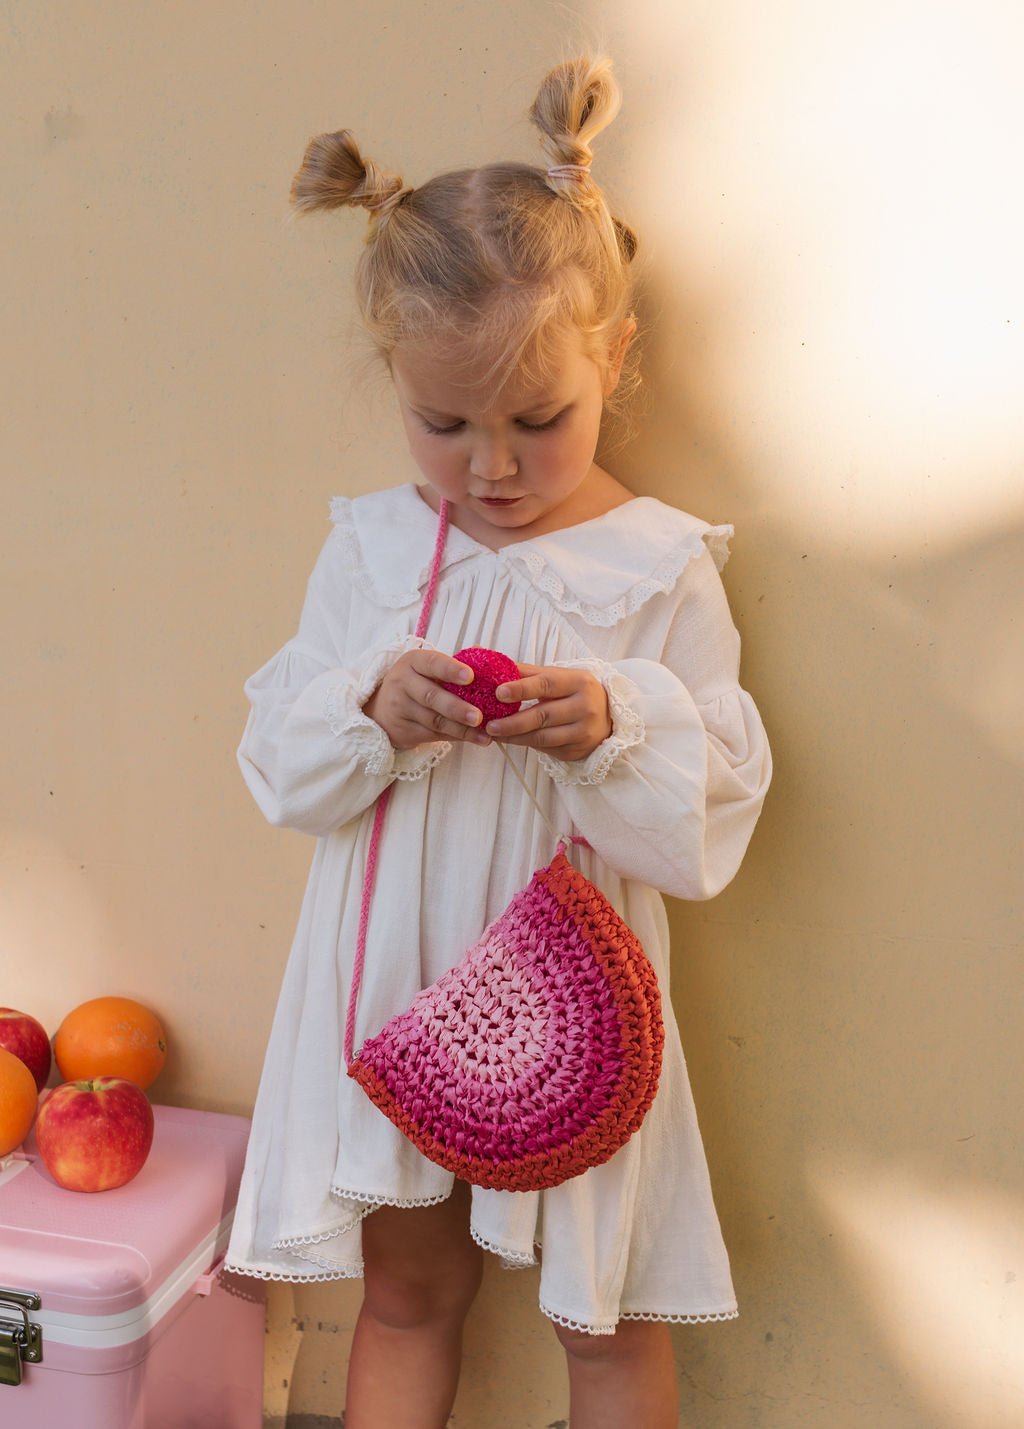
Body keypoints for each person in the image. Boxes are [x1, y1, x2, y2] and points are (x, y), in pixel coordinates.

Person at [224, 56, 772, 1429]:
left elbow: (715, 809)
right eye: (443, 423)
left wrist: (614, 722)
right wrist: (370, 706)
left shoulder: (655, 568)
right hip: (401, 990)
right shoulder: (373, 547)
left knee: (607, 1310)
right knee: (408, 1296)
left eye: (539, 420)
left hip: (583, 991)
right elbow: (280, 767)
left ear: (616, 360)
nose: (492, 468)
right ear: (394, 382)